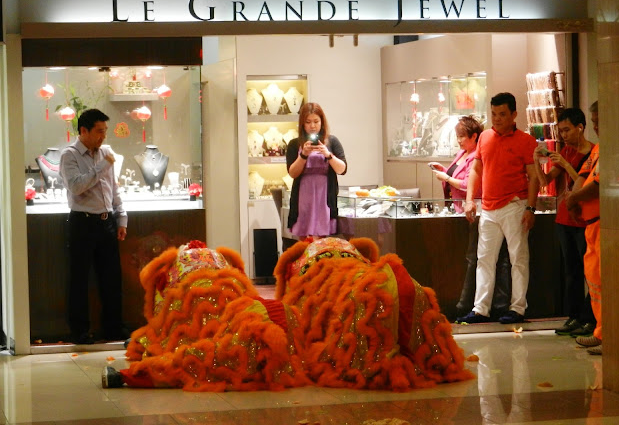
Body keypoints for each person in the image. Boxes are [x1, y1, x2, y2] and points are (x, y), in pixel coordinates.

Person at [102, 237, 474, 390]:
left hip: (325, 281)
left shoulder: (192, 273)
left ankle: (378, 306)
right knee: (244, 328)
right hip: (317, 285)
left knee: (239, 330)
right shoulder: (226, 277)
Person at [459, 92, 539, 325]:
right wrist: (469, 200)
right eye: (494, 114)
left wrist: (530, 208)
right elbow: (476, 170)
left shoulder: (526, 141)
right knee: (484, 259)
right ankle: (480, 309)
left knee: (518, 258)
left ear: (514, 114)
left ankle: (518, 308)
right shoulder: (485, 137)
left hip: (515, 205)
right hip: (488, 207)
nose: (497, 119)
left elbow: (533, 177)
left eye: (502, 114)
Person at [429, 116, 512, 320]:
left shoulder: (477, 156)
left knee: (477, 258)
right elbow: (457, 178)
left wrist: (447, 178)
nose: (458, 140)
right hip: (459, 210)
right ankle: (468, 304)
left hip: (476, 211)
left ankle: (470, 304)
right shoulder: (461, 153)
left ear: (475, 137)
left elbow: (469, 184)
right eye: (457, 137)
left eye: (462, 137)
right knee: (470, 258)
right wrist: (444, 171)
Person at [60, 108, 128, 344]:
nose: (103, 136)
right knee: (79, 279)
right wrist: (101, 167)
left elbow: (113, 188)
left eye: (105, 131)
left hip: (107, 221)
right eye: (99, 131)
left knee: (112, 278)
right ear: (84, 131)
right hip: (82, 222)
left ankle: (114, 328)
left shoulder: (106, 152)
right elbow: (76, 186)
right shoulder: (69, 155)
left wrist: (121, 217)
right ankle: (79, 331)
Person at [533, 108, 596, 337]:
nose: (564, 135)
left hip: (585, 219)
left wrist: (566, 165)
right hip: (564, 219)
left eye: (567, 130)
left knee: (590, 273)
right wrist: (537, 161)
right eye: (561, 131)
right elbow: (545, 181)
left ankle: (590, 319)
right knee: (571, 271)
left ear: (580, 127)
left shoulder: (593, 153)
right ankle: (574, 317)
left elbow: (587, 184)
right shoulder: (566, 151)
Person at [566, 101, 602, 355]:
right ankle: (601, 333)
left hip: (603, 223)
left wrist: (574, 199)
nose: (596, 127)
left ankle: (608, 335)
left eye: (600, 122)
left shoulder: (614, 150)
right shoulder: (599, 149)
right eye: (595, 122)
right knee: (595, 282)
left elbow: (598, 183)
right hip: (589, 225)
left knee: (604, 282)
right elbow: (583, 176)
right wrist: (573, 199)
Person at [286, 102, 347, 238]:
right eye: (308, 122)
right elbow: (292, 172)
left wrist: (328, 155)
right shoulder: (294, 144)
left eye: (316, 121)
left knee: (323, 238)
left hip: (324, 196)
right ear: (302, 124)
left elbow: (342, 169)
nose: (312, 126)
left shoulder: (332, 141)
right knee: (304, 239)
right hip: (303, 196)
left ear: (322, 122)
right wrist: (303, 155)